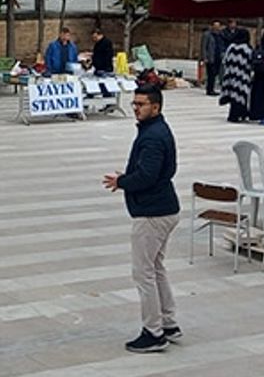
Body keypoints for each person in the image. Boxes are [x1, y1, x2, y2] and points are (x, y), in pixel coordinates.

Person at [102, 85, 180, 353]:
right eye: (134, 103)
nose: (136, 108)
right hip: (164, 208)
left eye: (141, 104)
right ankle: (168, 323)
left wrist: (121, 181)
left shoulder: (152, 137)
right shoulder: (156, 130)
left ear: (155, 107)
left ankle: (153, 332)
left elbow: (147, 175)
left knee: (143, 273)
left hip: (152, 212)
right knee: (156, 267)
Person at [220, 28, 254, 122]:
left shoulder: (231, 47)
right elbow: (250, 62)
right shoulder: (247, 49)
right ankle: (238, 115)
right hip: (242, 76)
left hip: (230, 75)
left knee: (233, 95)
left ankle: (237, 114)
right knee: (241, 95)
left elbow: (225, 60)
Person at [200, 21, 225, 96]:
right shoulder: (207, 34)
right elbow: (203, 47)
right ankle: (210, 89)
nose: (217, 28)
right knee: (211, 74)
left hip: (218, 57)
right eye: (215, 26)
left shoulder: (220, 34)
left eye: (218, 26)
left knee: (216, 73)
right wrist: (204, 57)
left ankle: (212, 88)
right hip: (210, 57)